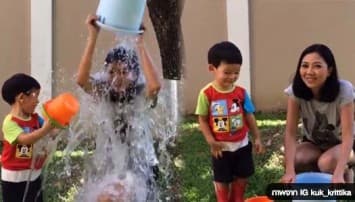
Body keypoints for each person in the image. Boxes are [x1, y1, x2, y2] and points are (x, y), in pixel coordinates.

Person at [76, 14, 161, 201]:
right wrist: (93, 35)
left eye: (124, 71)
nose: (118, 77)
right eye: (112, 72)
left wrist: (139, 42)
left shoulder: (140, 95)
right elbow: (82, 81)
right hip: (112, 167)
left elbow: (155, 86)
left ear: (135, 74)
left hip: (142, 168)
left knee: (113, 198)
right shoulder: (104, 93)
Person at [195, 41, 263, 202]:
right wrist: (211, 141)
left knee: (242, 176)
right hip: (221, 148)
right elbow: (203, 121)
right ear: (212, 68)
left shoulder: (241, 93)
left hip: (242, 144)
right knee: (222, 179)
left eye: (236, 73)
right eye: (227, 72)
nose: (232, 77)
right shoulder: (207, 94)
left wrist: (257, 137)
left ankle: (237, 198)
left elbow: (249, 116)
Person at [281, 43, 355, 184]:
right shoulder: (295, 92)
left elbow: (348, 136)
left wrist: (338, 172)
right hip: (314, 143)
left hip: (344, 144)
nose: (309, 71)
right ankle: (323, 172)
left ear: (329, 71)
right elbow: (290, 133)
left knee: (326, 162)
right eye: (305, 65)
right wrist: (290, 170)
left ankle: (345, 170)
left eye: (317, 66)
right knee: (296, 158)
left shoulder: (344, 91)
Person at [1, 73, 55, 202]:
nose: (37, 101)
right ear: (21, 98)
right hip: (14, 179)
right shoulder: (10, 122)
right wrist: (46, 128)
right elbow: (25, 139)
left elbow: (52, 133)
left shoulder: (36, 118)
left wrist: (59, 121)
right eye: (35, 95)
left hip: (34, 175)